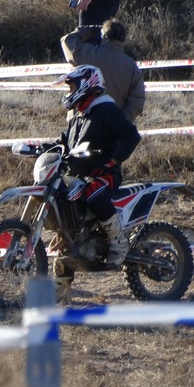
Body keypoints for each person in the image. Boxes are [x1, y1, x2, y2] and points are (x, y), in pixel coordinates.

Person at [58, 65, 140, 270]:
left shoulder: (106, 110)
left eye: (72, 87)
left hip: (104, 173)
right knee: (65, 212)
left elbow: (131, 135)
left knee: (94, 193)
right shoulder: (77, 117)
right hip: (79, 175)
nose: (69, 92)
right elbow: (63, 144)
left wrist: (114, 159)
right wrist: (44, 149)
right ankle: (60, 291)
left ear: (86, 85)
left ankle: (119, 242)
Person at [60, 19, 145, 123]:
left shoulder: (89, 54)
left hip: (83, 123)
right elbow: (137, 100)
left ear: (103, 36)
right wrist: (121, 122)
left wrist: (88, 29)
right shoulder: (132, 66)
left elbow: (67, 41)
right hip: (113, 127)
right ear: (123, 39)